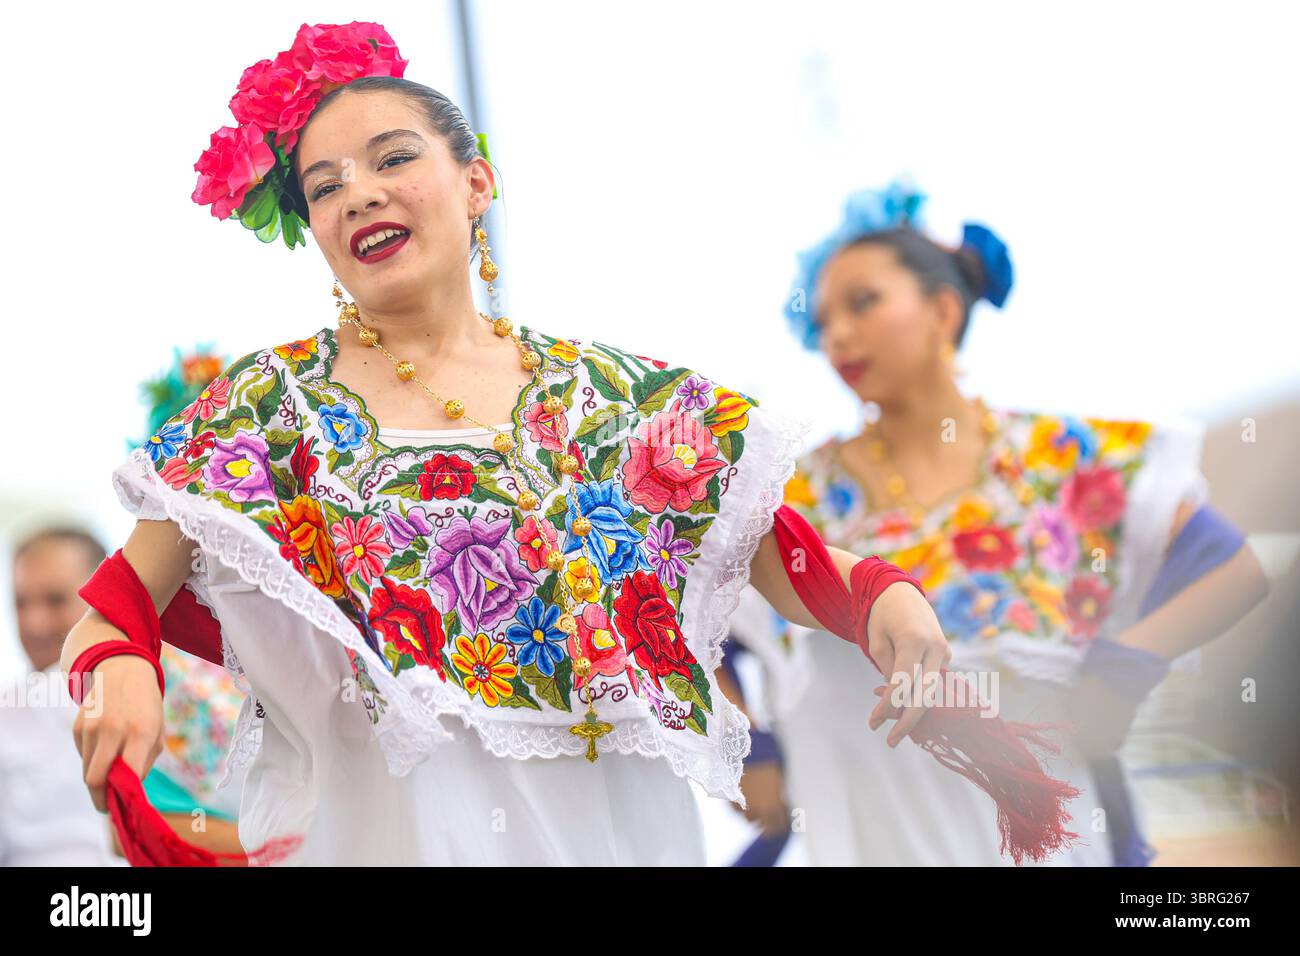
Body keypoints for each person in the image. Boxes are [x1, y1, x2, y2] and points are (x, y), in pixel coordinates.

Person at [58, 23, 976, 866]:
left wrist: (885, 603)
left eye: (392, 159)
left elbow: (777, 552)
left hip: (609, 833)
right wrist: (118, 671)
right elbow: (114, 606)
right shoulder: (264, 412)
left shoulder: (610, 396)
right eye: (324, 186)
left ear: (477, 180)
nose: (359, 194)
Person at [728, 180, 1271, 866]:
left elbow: (1230, 568)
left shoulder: (1060, 461)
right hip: (873, 836)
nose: (836, 333)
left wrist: (1124, 668)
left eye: (863, 303)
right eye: (824, 318)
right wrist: (751, 749)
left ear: (943, 309)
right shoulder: (792, 493)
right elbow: (705, 620)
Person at [1, 528, 122, 866]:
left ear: (106, 599)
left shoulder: (175, 699)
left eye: (55, 600)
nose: (34, 623)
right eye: (20, 603)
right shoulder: (6, 718)